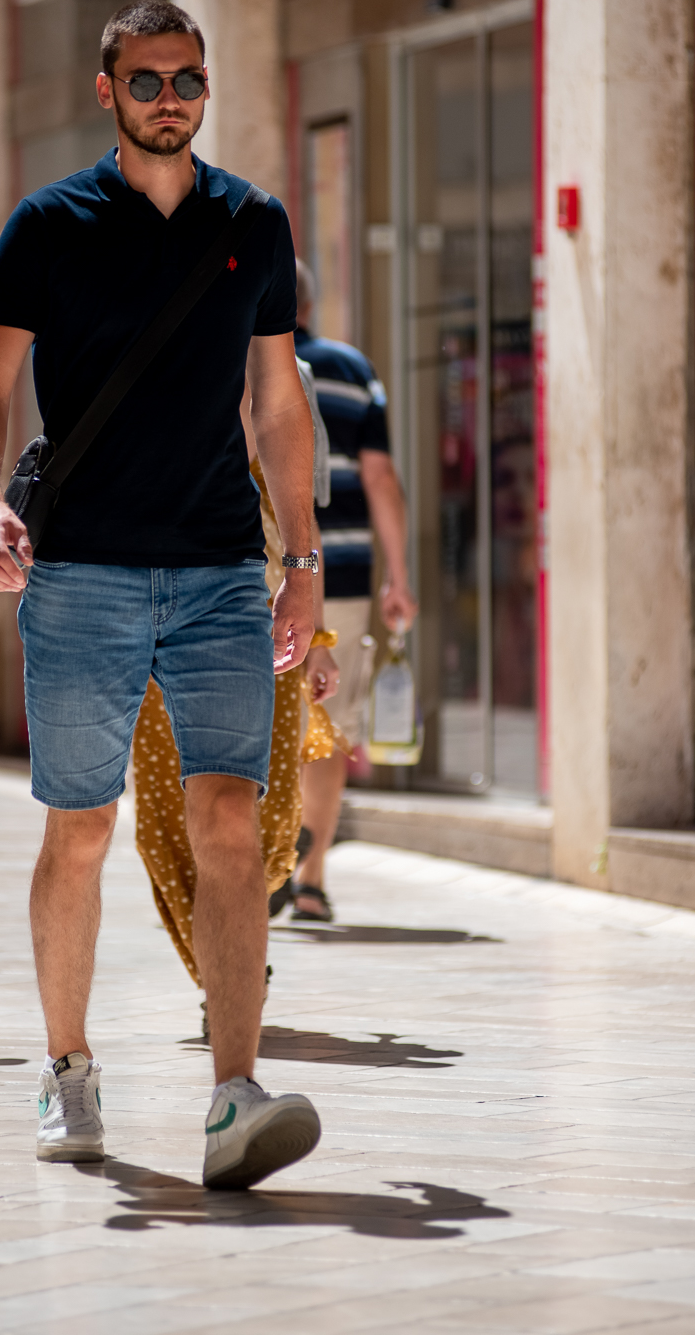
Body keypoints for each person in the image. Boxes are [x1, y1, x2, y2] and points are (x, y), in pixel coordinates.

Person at [0, 0, 323, 1190]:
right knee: (82, 827)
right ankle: (67, 1067)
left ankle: (233, 1094)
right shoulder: (48, 223)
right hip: (81, 576)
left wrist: (303, 561)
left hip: (219, 572)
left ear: (206, 89)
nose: (171, 98)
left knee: (231, 825)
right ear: (107, 89)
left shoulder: (251, 222)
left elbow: (278, 402)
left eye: (188, 79)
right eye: (149, 79)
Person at [132, 377, 339, 1022]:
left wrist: (321, 639)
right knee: (166, 823)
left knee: (263, 817)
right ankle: (220, 978)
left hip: (268, 639)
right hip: (154, 635)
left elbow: (304, 524)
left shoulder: (289, 382)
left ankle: (236, 962)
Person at [291, 261, 418, 922]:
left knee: (256, 723)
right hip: (338, 576)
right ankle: (310, 879)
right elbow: (380, 478)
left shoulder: (240, 360)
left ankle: (257, 865)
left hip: (254, 574)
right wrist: (397, 576)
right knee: (327, 729)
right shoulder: (351, 370)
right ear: (311, 305)